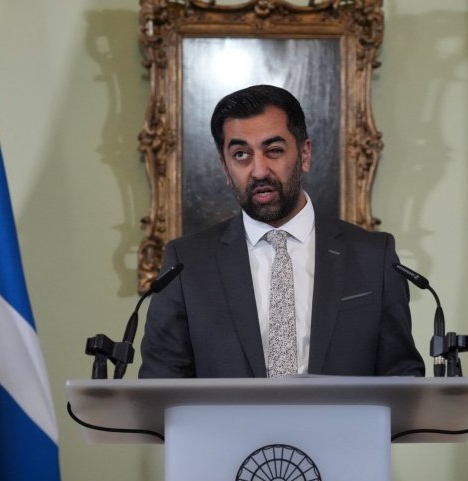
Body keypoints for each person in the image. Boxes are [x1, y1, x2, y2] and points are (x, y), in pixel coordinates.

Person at [138, 84, 424, 378]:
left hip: (344, 425)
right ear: (225, 168)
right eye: (240, 155)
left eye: (273, 151)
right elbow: (160, 387)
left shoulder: (374, 257)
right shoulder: (186, 264)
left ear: (305, 154)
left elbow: (401, 377)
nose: (259, 170)